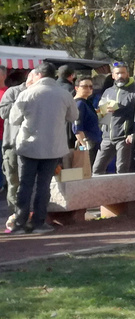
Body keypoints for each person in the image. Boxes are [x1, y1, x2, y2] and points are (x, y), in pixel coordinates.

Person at [11, 61, 78, 234]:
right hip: (53, 146)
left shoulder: (27, 93)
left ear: (38, 75)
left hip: (28, 146)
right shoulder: (64, 94)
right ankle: (38, 222)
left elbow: (13, 120)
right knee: (44, 185)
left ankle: (20, 222)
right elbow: (73, 117)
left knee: (25, 185)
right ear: (54, 75)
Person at [1, 69, 38, 229]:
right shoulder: (13, 92)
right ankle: (15, 219)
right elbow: (3, 113)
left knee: (33, 184)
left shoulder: (42, 95)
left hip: (36, 146)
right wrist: (23, 100)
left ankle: (30, 218)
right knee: (14, 183)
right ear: (29, 77)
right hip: (13, 145)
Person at [93, 61, 135, 175]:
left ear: (127, 74)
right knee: (97, 169)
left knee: (122, 170)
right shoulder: (108, 91)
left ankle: (122, 192)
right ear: (113, 75)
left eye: (123, 73)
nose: (120, 76)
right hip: (107, 137)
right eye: (117, 73)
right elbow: (102, 112)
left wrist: (133, 133)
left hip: (124, 137)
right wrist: (103, 112)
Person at [72, 77, 102, 162]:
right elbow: (77, 128)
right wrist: (85, 146)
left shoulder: (86, 102)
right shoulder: (79, 104)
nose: (89, 89)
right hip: (88, 143)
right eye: (85, 86)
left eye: (91, 87)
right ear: (76, 88)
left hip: (94, 142)